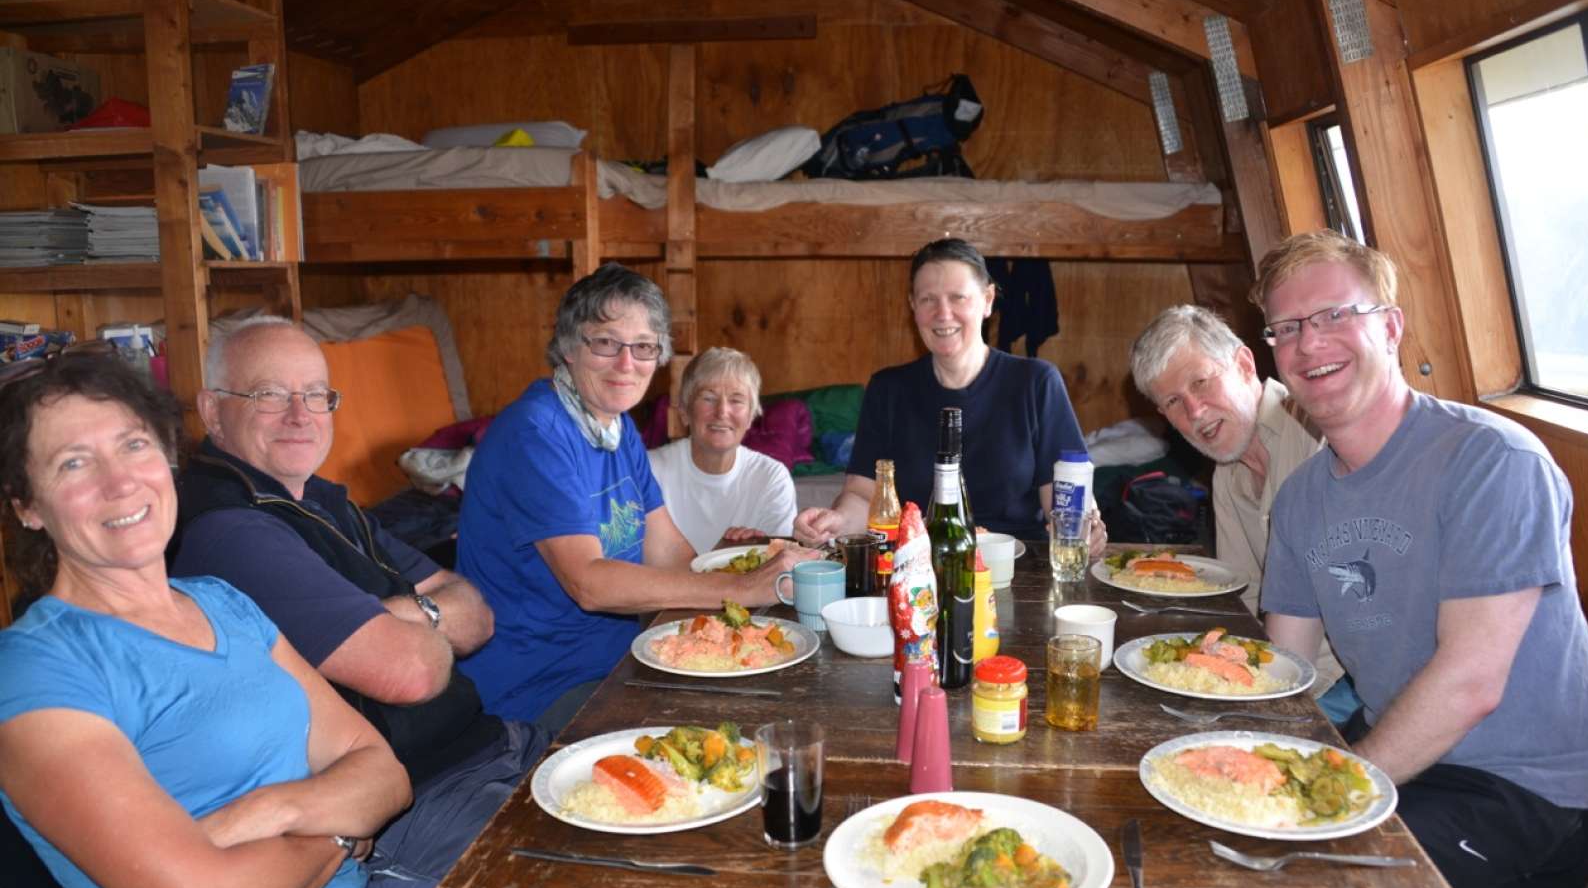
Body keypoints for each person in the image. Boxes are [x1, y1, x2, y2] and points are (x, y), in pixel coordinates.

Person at [0, 349, 680, 888]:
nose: (121, 482)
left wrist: (271, 812)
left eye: (133, 444)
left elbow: (380, 772)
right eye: (74, 464)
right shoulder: (37, 671)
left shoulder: (221, 604)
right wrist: (338, 824)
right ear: (27, 505)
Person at [1255, 230, 1588, 888]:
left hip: (1524, 795)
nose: (1309, 344)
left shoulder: (1491, 462)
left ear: (1389, 327)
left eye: (1335, 315)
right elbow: (1285, 671)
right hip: (1406, 753)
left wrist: (1327, 792)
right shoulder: (1301, 499)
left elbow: (1473, 682)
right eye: (1287, 328)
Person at [169, 317, 545, 880]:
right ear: (212, 409)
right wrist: (414, 621)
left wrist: (384, 617)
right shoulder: (230, 529)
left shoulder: (317, 498)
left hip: (488, 752)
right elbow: (410, 671)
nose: (300, 415)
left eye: (316, 395)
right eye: (270, 394)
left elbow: (476, 613)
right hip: (416, 805)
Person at [456, 263, 815, 728]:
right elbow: (589, 583)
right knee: (740, 728)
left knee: (780, 692)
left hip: (616, 662)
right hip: (541, 689)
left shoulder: (616, 427)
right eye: (606, 343)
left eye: (643, 347)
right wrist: (740, 588)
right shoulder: (535, 434)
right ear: (568, 347)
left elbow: (669, 553)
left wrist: (763, 585)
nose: (627, 364)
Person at [793, 238, 1106, 549]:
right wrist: (834, 520)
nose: (943, 314)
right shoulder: (888, 389)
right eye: (928, 299)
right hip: (920, 567)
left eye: (958, 298)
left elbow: (1066, 494)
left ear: (987, 300)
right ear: (913, 306)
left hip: (1018, 565)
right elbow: (862, 494)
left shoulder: (1036, 382)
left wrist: (1085, 524)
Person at [1129, 304, 1357, 721]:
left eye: (1202, 382)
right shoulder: (1226, 473)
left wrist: (1259, 705)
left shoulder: (1318, 434)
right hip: (1281, 674)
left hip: (1349, 687)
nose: (1195, 412)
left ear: (1244, 364)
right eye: (1174, 402)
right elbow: (1243, 598)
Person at [647, 346, 797, 553]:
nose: (722, 412)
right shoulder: (649, 470)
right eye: (709, 398)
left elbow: (778, 568)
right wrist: (721, 559)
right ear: (684, 411)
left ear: (751, 416)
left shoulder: (771, 477)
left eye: (736, 400)